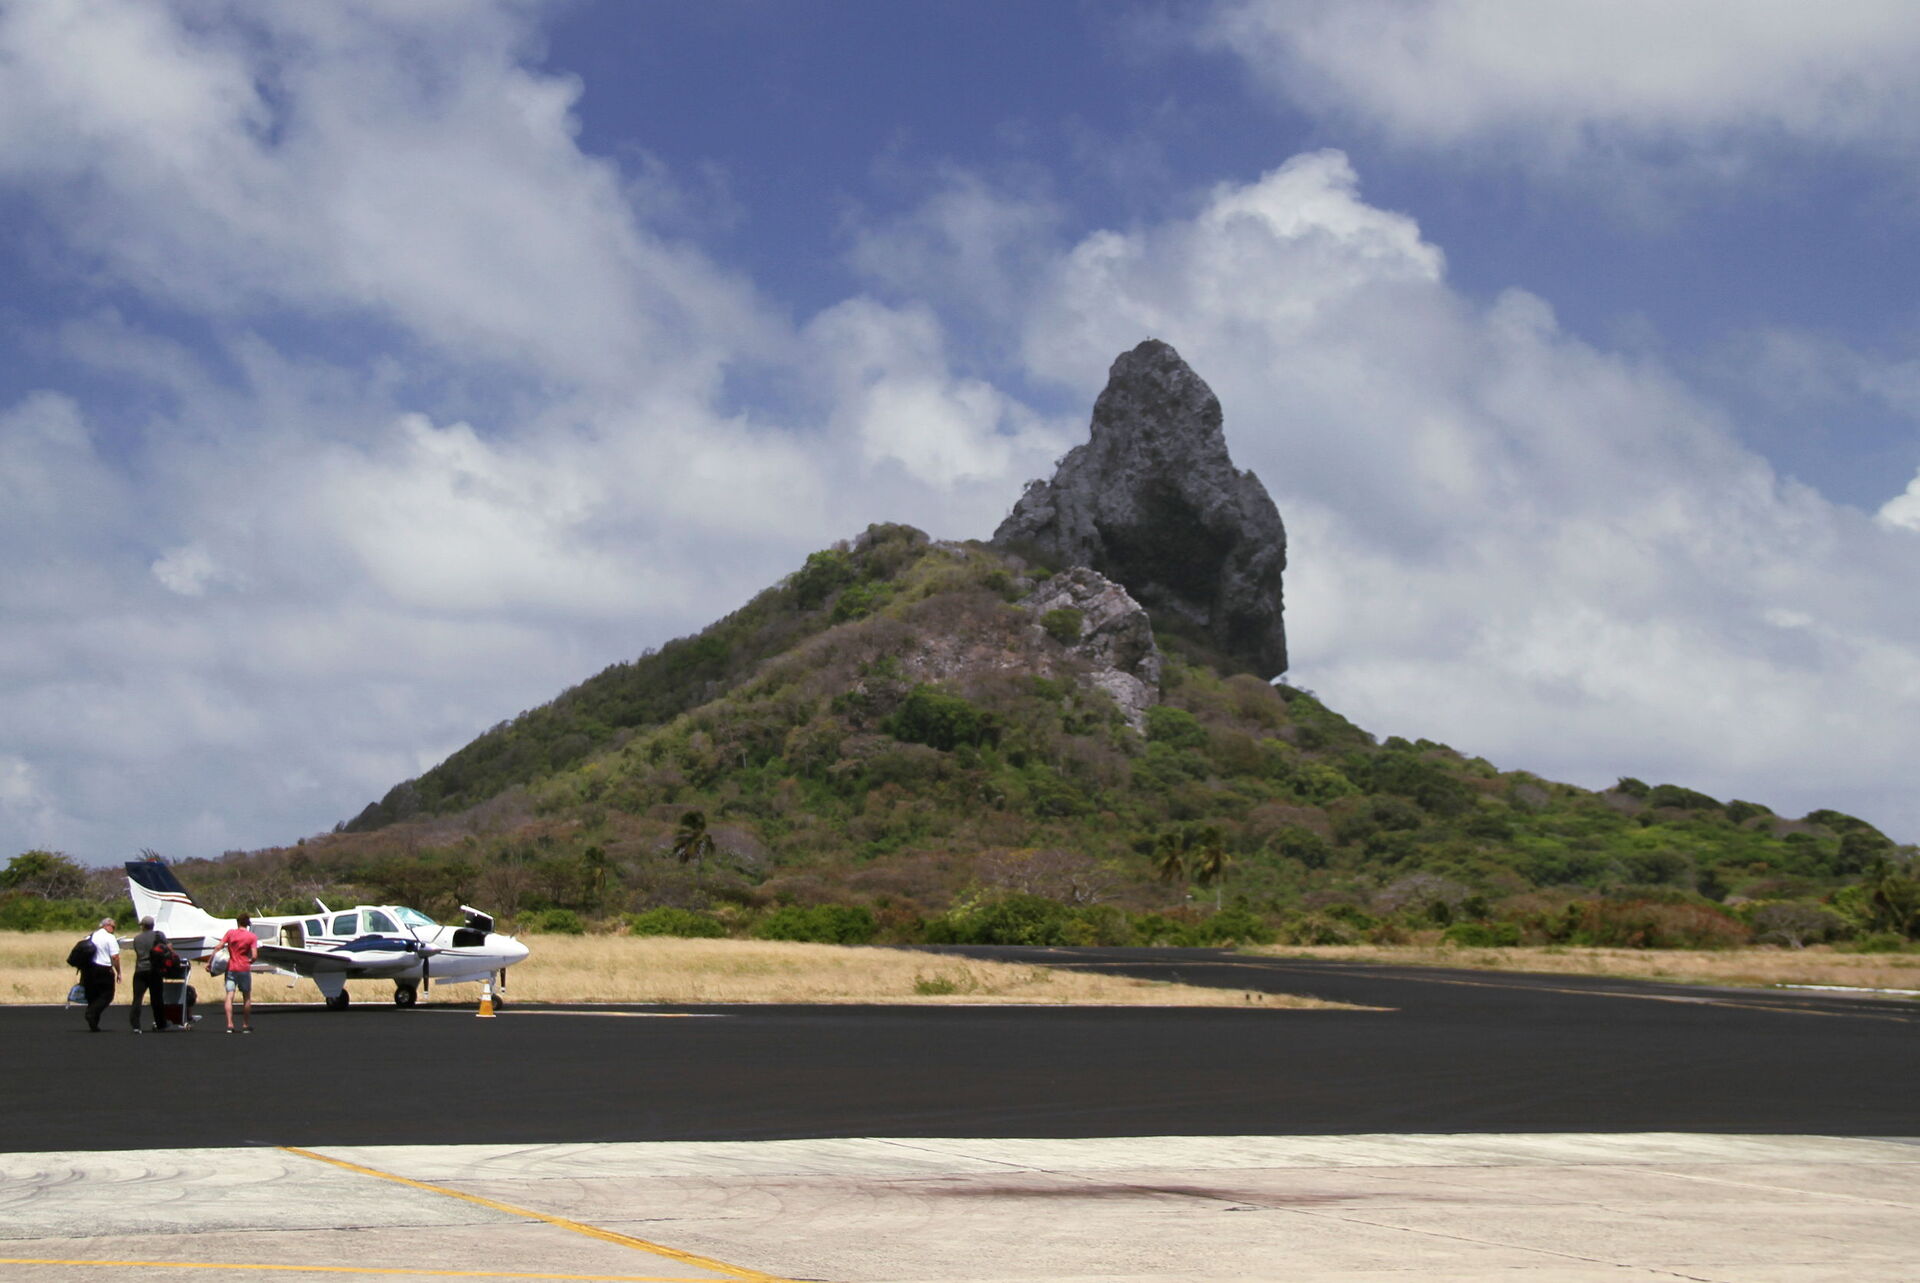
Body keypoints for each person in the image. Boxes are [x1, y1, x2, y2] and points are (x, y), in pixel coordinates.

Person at [127, 916, 173, 1033]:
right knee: (157, 998)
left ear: (143, 926)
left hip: (140, 970)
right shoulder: (159, 935)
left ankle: (136, 1025)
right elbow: (166, 948)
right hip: (154, 970)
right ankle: (161, 1023)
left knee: (137, 998)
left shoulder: (137, 939)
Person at [216, 913, 260, 1033]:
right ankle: (245, 1025)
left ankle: (230, 1025)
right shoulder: (252, 937)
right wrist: (250, 961)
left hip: (231, 968)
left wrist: (210, 962)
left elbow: (219, 946)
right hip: (244, 968)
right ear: (247, 924)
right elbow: (255, 955)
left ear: (238, 922)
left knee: (229, 995)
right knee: (246, 997)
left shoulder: (230, 933)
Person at [81, 916, 120, 1032]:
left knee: (93, 996)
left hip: (89, 969)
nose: (114, 928)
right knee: (107, 995)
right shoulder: (110, 938)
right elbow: (115, 957)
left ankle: (94, 1024)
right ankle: (91, 1013)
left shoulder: (91, 936)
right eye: (113, 926)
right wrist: (119, 972)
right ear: (106, 926)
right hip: (104, 969)